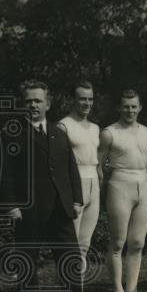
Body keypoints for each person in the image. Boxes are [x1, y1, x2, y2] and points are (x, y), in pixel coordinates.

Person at [0, 80, 100, 292]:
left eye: (38, 100)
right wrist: (12, 205)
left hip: (59, 207)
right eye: (28, 101)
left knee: (70, 257)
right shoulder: (13, 134)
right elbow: (4, 173)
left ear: (48, 103)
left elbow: (70, 168)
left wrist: (76, 199)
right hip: (29, 208)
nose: (33, 105)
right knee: (27, 258)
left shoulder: (58, 132)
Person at [98, 90, 147, 292]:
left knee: (138, 242)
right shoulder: (109, 133)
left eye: (134, 106)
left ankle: (132, 289)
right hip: (119, 185)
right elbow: (99, 165)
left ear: (140, 108)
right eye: (126, 106)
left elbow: (145, 162)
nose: (130, 110)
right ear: (119, 108)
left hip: (142, 185)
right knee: (118, 242)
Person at [56, 81, 102, 274]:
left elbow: (96, 161)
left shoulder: (95, 127)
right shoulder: (63, 126)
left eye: (90, 99)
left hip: (94, 185)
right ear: (73, 100)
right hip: (75, 185)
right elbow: (59, 164)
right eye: (82, 98)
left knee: (84, 243)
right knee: (71, 243)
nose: (86, 103)